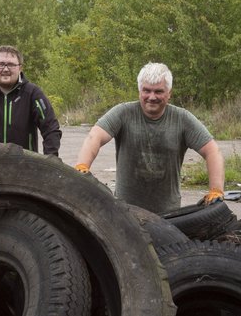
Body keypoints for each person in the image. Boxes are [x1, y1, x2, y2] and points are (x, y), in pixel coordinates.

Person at [74, 62, 224, 214]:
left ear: (169, 93)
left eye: (158, 91)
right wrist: (82, 166)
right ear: (140, 91)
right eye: (147, 90)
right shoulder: (123, 113)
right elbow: (95, 136)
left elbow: (212, 151)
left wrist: (216, 190)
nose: (152, 97)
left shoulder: (182, 119)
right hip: (125, 211)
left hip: (169, 213)